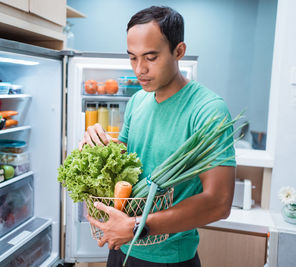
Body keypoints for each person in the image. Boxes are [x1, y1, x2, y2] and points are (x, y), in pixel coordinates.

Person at [79, 5, 236, 267]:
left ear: (179, 51)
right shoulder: (138, 100)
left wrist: (137, 227)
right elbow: (126, 166)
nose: (139, 69)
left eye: (151, 57)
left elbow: (218, 203)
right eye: (132, 57)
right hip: (120, 246)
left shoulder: (208, 110)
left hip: (167, 259)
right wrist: (98, 146)